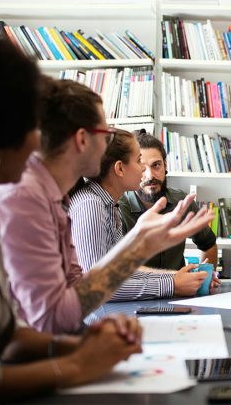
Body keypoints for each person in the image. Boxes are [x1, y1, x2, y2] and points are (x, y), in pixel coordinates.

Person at [0, 33, 144, 401]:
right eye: (31, 127)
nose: (38, 143)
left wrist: (74, 348)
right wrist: (74, 364)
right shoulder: (17, 196)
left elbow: (4, 331)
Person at [0, 77, 213, 335]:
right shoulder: (30, 200)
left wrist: (140, 245)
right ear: (83, 140)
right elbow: (52, 316)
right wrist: (143, 249)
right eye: (105, 133)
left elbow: (77, 290)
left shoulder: (58, 198)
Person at [69, 129, 210, 300]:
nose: (144, 170)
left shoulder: (109, 205)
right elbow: (96, 286)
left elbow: (118, 273)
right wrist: (172, 285)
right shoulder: (91, 205)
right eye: (138, 161)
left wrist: (176, 278)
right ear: (120, 168)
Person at [119, 131, 218, 270]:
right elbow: (119, 269)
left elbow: (209, 244)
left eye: (156, 165)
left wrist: (205, 277)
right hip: (138, 291)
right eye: (142, 167)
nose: (150, 175)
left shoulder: (182, 201)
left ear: (165, 165)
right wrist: (173, 281)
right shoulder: (118, 208)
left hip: (181, 291)